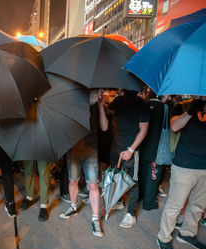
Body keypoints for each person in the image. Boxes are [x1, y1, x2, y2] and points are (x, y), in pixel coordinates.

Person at [157, 97, 206, 249]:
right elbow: (174, 126)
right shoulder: (184, 106)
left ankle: (186, 234)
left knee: (198, 205)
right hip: (184, 165)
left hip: (204, 167)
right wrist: (191, 112)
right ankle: (163, 237)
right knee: (175, 205)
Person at [99, 89, 149, 229]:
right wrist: (101, 104)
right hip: (116, 146)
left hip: (132, 149)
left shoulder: (142, 105)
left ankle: (131, 214)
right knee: (115, 175)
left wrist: (131, 149)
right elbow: (109, 113)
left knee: (133, 181)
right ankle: (119, 200)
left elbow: (143, 130)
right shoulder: (118, 101)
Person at [59, 93, 105, 237]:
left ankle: (95, 219)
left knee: (93, 185)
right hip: (74, 149)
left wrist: (101, 105)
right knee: (73, 181)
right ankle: (73, 206)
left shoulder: (96, 103)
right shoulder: (72, 101)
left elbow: (104, 127)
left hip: (91, 151)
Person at [139, 90, 167, 210]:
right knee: (153, 176)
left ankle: (139, 196)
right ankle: (148, 203)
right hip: (157, 149)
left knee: (142, 173)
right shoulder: (164, 108)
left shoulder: (142, 105)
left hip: (142, 146)